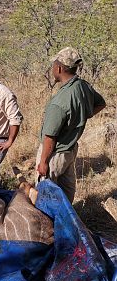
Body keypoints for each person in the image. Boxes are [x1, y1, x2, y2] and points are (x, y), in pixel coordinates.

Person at [36, 47, 106, 202]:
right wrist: (82, 116)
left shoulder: (59, 103)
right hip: (71, 150)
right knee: (66, 195)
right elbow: (101, 103)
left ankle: (52, 224)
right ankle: (68, 220)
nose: (52, 68)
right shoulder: (83, 86)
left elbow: (49, 137)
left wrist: (43, 163)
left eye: (53, 65)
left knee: (46, 197)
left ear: (59, 68)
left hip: (55, 154)